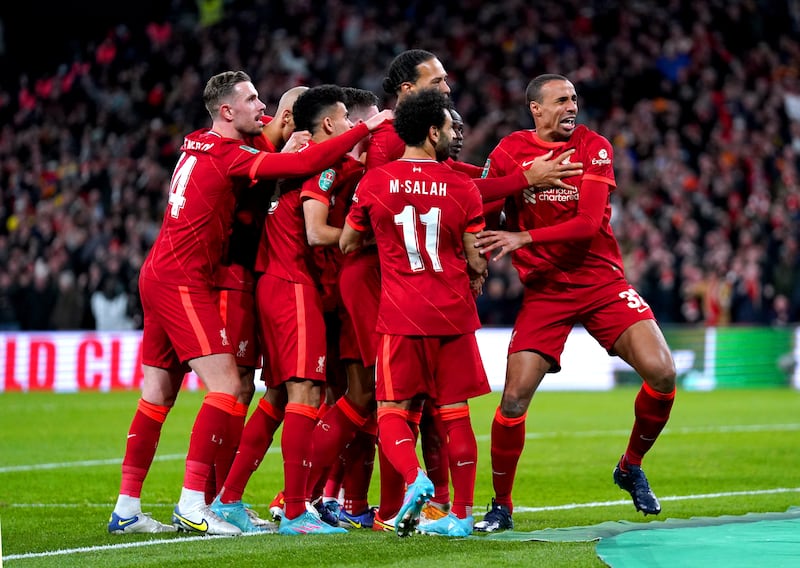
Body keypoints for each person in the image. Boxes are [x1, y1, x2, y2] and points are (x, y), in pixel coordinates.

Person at [108, 70, 390, 536]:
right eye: (252, 99)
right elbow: (296, 168)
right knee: (226, 389)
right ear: (226, 111)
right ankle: (194, 503)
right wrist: (367, 127)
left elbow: (268, 141)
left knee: (156, 396)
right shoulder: (227, 156)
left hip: (157, 272)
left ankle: (127, 508)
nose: (261, 106)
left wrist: (279, 135)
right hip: (185, 278)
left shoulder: (197, 142)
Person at [472, 74, 677, 532]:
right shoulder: (508, 152)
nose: (571, 107)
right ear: (536, 110)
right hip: (546, 291)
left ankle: (629, 466)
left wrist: (524, 234)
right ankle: (501, 506)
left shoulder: (593, 146)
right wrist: (478, 258)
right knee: (513, 400)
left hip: (601, 282)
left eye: (574, 99)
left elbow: (587, 223)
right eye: (561, 100)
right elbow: (484, 210)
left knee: (662, 373)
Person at [340, 88, 491, 537]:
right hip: (453, 314)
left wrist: (384, 242)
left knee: (391, 409)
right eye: (448, 127)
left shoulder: (375, 182)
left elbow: (348, 243)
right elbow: (477, 259)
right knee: (455, 412)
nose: (453, 134)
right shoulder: (463, 187)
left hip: (401, 313)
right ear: (432, 132)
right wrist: (470, 268)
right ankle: (461, 515)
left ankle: (414, 478)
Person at [250, 84, 393, 536]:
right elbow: (315, 232)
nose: (359, 129)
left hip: (310, 289)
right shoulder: (325, 166)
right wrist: (370, 240)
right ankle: (293, 504)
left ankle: (325, 500)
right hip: (305, 288)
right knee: (322, 396)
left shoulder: (331, 164)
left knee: (325, 397)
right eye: (354, 122)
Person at [205, 85, 308, 533]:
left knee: (262, 391)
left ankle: (225, 496)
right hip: (234, 280)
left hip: (258, 280)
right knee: (236, 387)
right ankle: (211, 499)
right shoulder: (251, 147)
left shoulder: (264, 142)